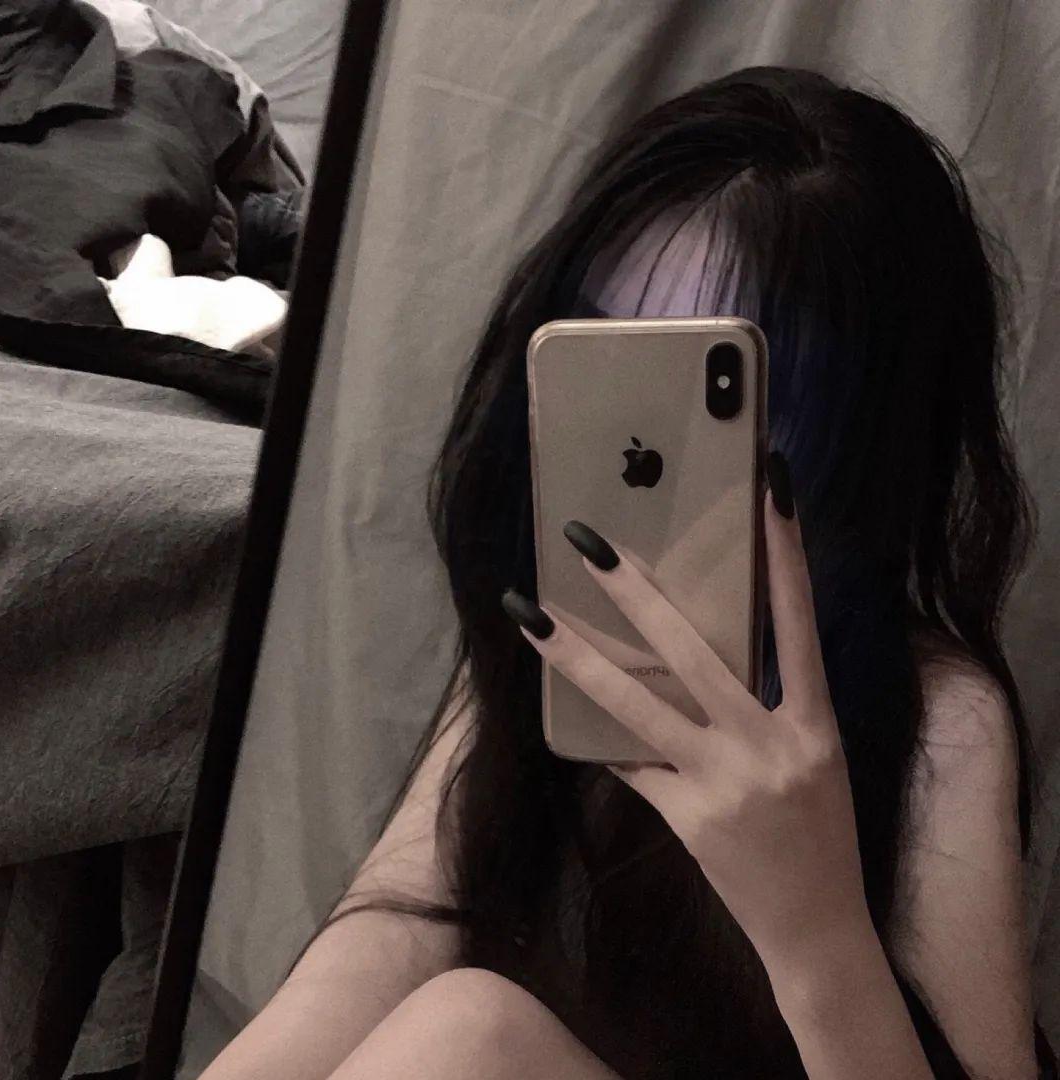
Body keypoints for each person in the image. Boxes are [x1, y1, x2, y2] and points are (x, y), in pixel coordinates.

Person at [200, 66, 1058, 1079]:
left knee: (470, 1031)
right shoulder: (562, 614)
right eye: (608, 349)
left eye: (715, 382)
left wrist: (817, 929)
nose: (644, 451)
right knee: (461, 1023)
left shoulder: (943, 722)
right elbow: (397, 924)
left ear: (858, 429)